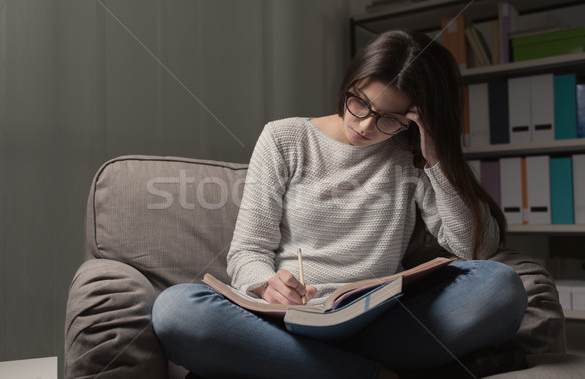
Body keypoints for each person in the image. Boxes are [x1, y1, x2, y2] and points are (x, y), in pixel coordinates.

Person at [152, 29, 527, 378]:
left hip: (379, 325)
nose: (364, 126)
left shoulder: (411, 157)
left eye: (389, 120)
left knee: (501, 286)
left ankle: (302, 368)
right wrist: (268, 286)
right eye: (359, 102)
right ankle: (376, 374)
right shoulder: (285, 138)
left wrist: (438, 159)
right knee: (177, 309)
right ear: (351, 82)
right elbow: (247, 251)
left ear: (416, 121)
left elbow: (475, 248)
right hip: (287, 322)